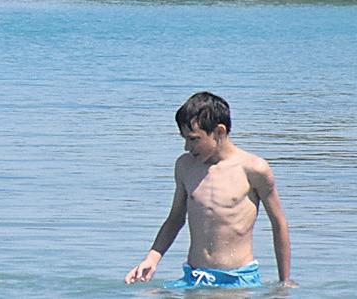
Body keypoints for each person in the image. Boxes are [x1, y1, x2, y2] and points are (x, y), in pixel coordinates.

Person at [125, 91, 294, 288]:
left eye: (194, 139)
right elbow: (175, 218)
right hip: (193, 277)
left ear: (219, 132)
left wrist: (284, 282)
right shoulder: (185, 166)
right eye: (184, 139)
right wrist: (152, 258)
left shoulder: (254, 169)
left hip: (237, 279)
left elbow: (279, 223)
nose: (187, 147)